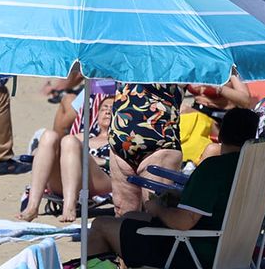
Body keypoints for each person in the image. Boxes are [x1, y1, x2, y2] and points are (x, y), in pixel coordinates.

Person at [85, 108, 261, 269]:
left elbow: (184, 222)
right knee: (131, 217)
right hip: (235, 252)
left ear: (221, 135)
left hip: (195, 254)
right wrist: (179, 198)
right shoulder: (259, 170)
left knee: (100, 225)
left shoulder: (214, 168)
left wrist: (157, 208)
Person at [107, 78, 250, 214]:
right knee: (122, 212)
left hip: (161, 139)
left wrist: (219, 89)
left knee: (155, 214)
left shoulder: (182, 57)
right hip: (119, 139)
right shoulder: (125, 56)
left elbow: (245, 100)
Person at [19, 84, 113, 223]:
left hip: (101, 180)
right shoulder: (83, 136)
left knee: (69, 141)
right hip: (64, 180)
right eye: (104, 108)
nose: (107, 111)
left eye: (112, 108)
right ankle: (32, 206)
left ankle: (69, 206)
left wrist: (101, 161)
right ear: (97, 115)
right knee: (49, 136)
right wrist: (40, 152)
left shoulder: (120, 141)